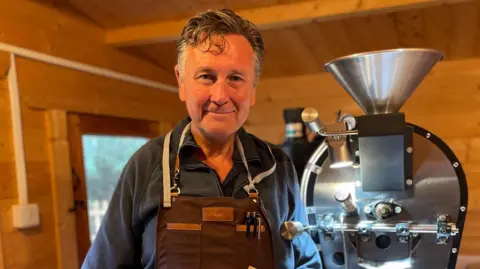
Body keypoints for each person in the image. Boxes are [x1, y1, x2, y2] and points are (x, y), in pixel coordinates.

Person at [81, 8, 322, 269]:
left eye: (236, 78)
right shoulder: (148, 164)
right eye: (206, 76)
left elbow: (306, 260)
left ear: (253, 89)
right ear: (181, 81)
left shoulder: (277, 167)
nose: (220, 96)